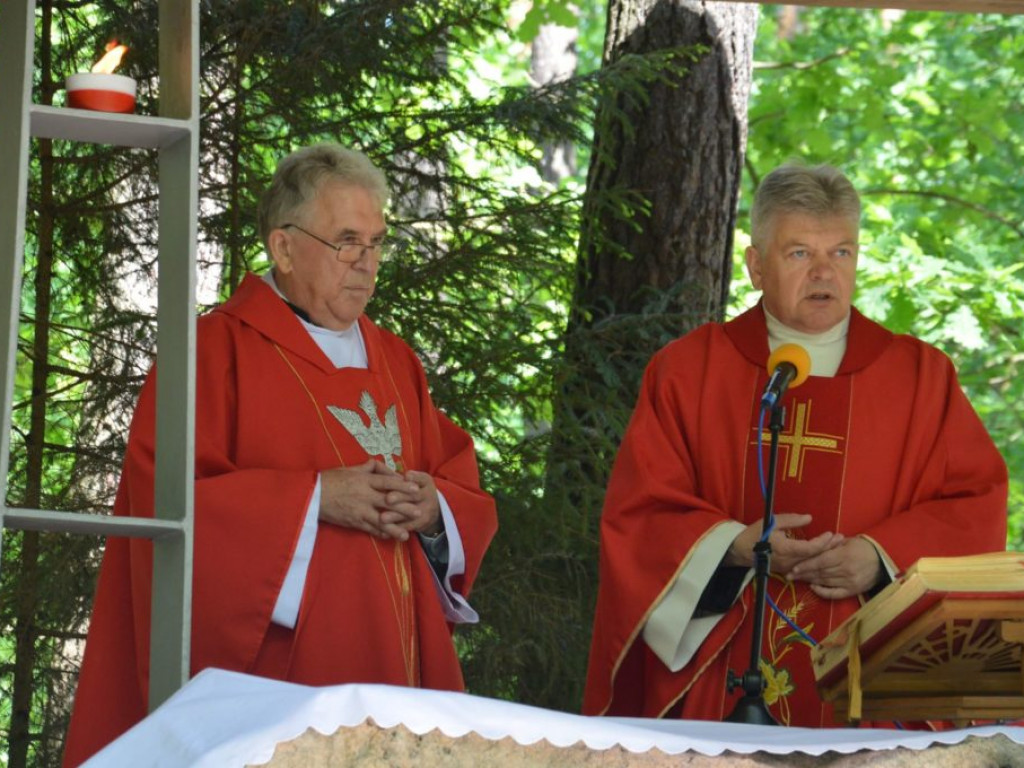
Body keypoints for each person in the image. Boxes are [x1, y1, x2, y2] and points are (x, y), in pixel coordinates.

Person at [63, 143, 498, 764]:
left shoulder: (398, 362)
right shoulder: (210, 354)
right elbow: (169, 510)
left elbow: (460, 487)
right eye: (347, 240)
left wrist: (435, 511)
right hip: (274, 691)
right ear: (284, 246)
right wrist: (315, 498)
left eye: (376, 242)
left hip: (395, 678)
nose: (366, 263)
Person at [582, 163, 1007, 727]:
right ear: (756, 266)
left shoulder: (921, 378)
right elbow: (640, 516)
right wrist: (735, 546)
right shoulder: (688, 372)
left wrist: (878, 557)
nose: (824, 273)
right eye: (800, 253)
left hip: (873, 675)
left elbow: (974, 507)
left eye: (842, 253)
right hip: (724, 673)